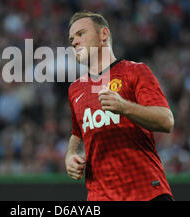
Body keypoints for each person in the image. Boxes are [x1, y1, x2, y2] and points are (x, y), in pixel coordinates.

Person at [65, 11, 175, 201]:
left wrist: (124, 107)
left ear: (104, 35)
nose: (74, 42)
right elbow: (77, 132)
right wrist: (71, 154)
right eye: (71, 39)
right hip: (100, 197)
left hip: (146, 192)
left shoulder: (135, 71)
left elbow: (166, 121)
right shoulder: (75, 89)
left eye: (81, 34)